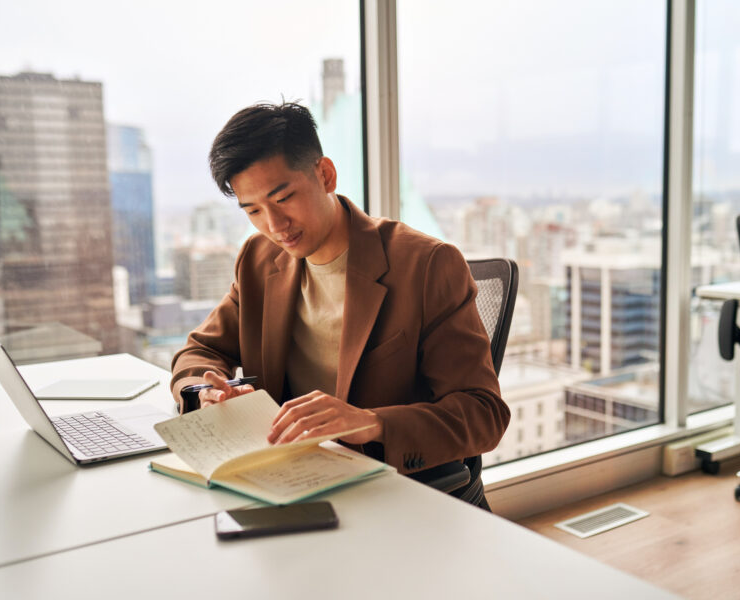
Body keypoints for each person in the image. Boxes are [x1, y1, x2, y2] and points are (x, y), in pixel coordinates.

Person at [170, 102, 509, 503]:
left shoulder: (427, 265)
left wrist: (373, 423)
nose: (274, 226)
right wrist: (204, 392)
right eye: (254, 210)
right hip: (291, 484)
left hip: (392, 495)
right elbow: (202, 350)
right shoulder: (259, 260)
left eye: (283, 198)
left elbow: (484, 414)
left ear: (325, 175)